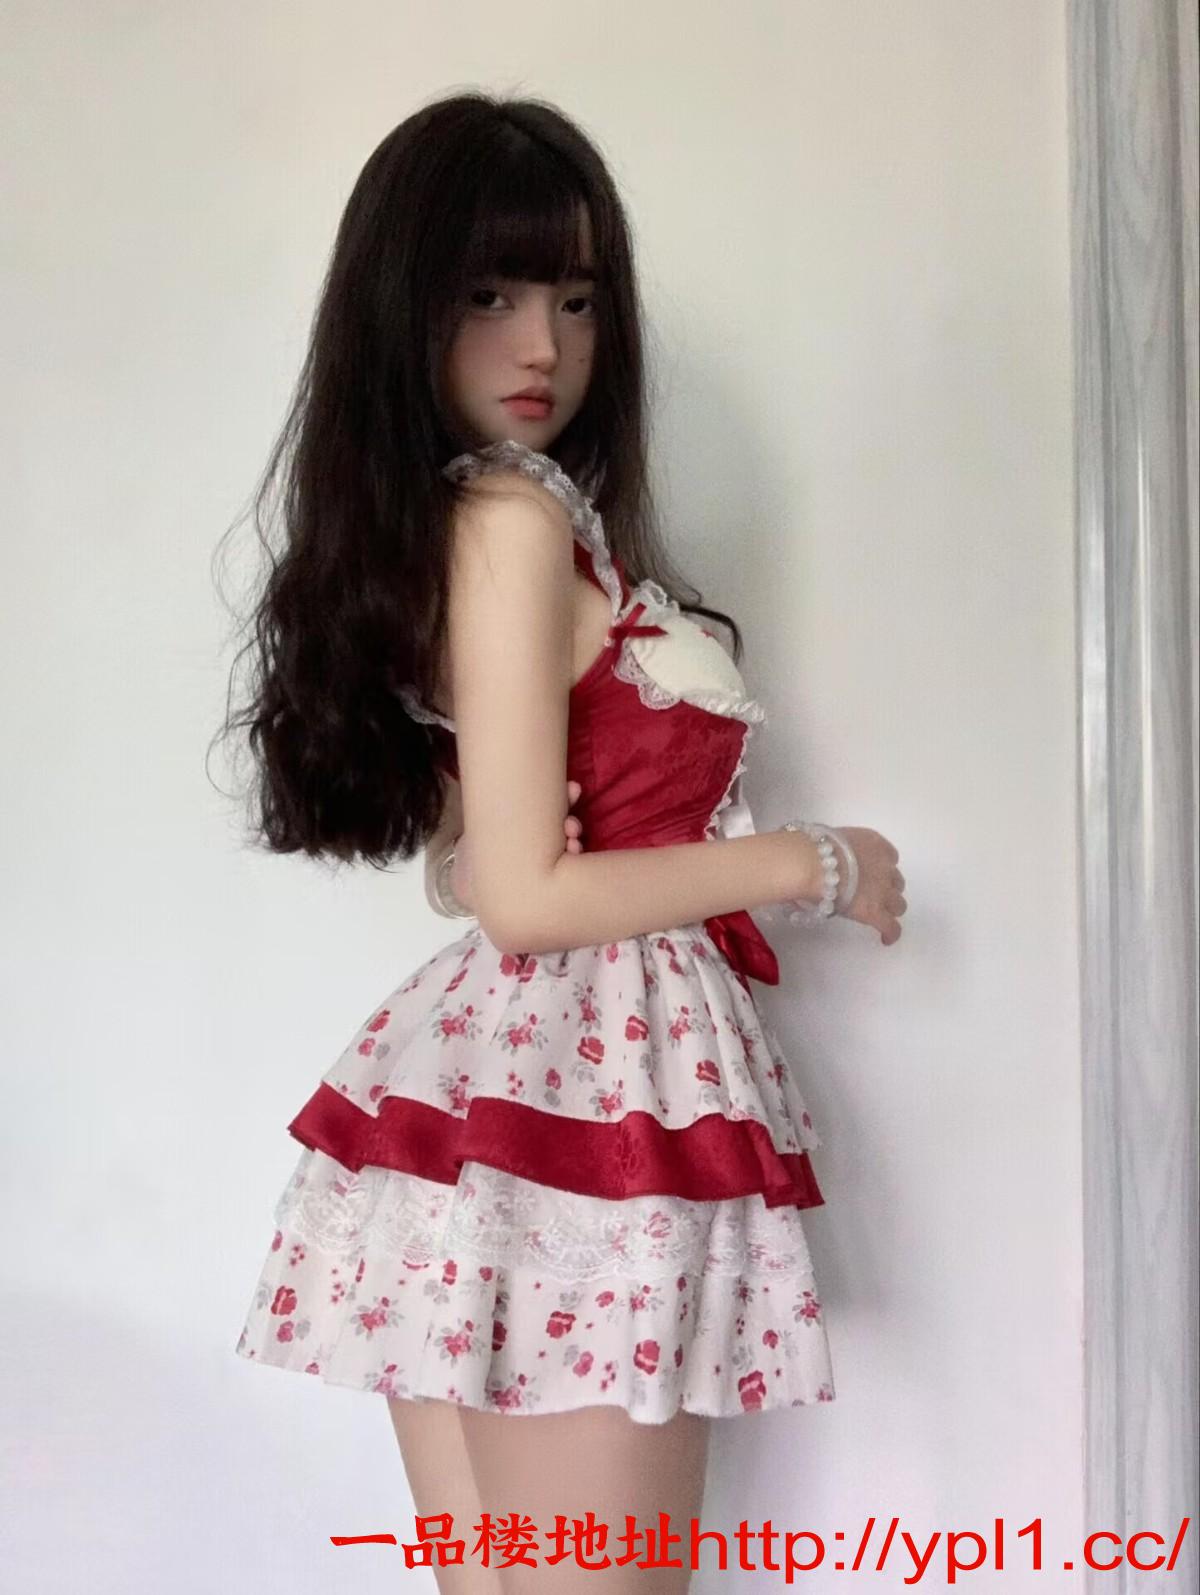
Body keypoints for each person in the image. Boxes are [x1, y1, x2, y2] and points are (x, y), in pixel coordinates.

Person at [216, 90, 907, 1595]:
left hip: (507, 1086)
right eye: (492, 295)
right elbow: (531, 899)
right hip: (581, 1097)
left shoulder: (501, 520)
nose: (543, 345)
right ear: (405, 309)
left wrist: (486, 858)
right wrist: (816, 862)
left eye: (577, 301)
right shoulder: (512, 522)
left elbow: (488, 865)